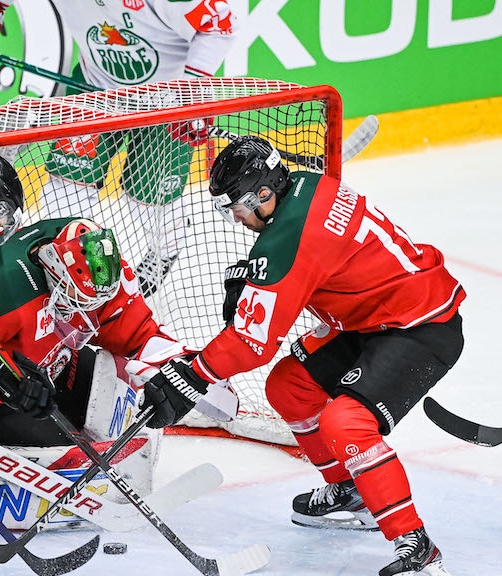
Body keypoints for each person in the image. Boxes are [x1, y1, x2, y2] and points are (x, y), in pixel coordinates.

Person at [139, 136, 464, 576]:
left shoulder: (291, 239)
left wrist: (191, 376)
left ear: (265, 195)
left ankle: (417, 545)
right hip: (370, 315)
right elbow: (307, 262)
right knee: (289, 387)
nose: (235, 217)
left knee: (345, 422)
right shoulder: (307, 187)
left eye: (236, 205)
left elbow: (253, 343)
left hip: (420, 324)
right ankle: (349, 491)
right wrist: (255, 276)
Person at [0, 217, 240, 576]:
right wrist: (7, 377)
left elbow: (136, 330)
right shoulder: (2, 287)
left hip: (47, 371)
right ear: (54, 274)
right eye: (75, 305)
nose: (86, 316)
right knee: (23, 439)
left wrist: (187, 373)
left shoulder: (98, 267)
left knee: (102, 373)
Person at [0, 0, 239, 295]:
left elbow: (220, 25)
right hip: (95, 88)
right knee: (65, 193)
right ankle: (67, 269)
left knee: (145, 201)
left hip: (164, 101)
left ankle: (166, 248)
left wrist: (190, 90)